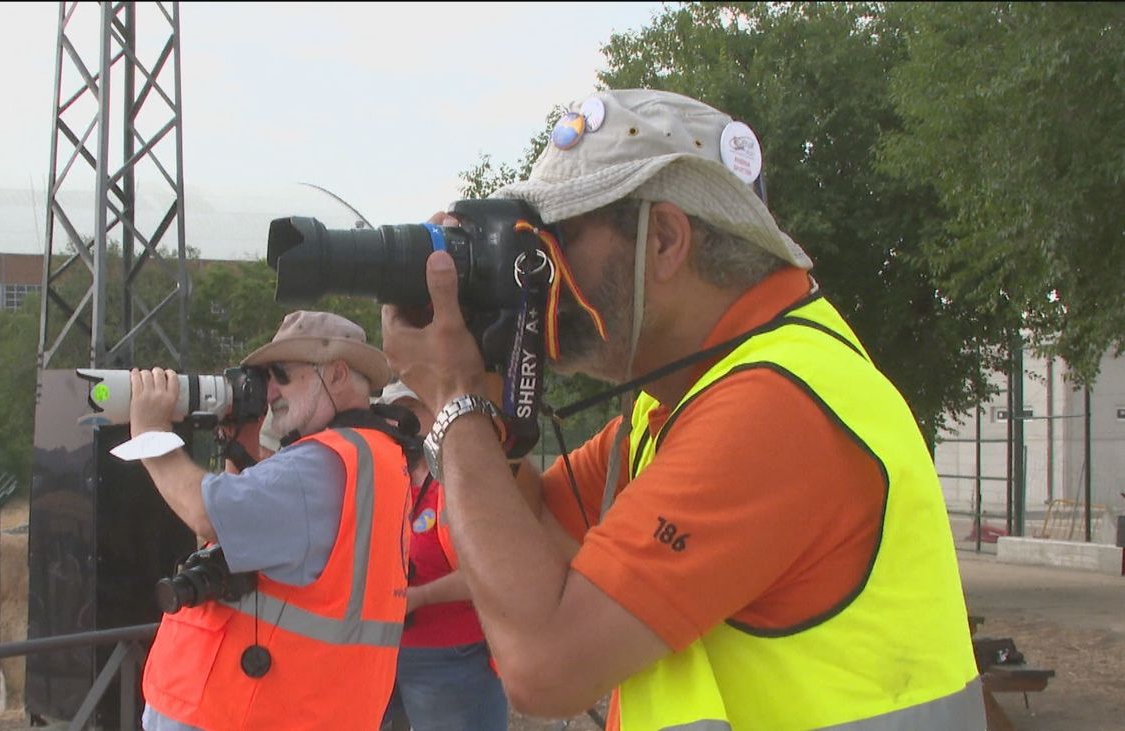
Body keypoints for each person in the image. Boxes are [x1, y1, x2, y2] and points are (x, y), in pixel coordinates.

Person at [381, 89, 984, 730]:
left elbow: (542, 666)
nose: (538, 269)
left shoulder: (776, 408)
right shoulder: (674, 406)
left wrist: (454, 400)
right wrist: (486, 372)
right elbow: (525, 547)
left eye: (560, 236)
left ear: (665, 239)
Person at [130, 310, 414, 731]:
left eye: (282, 374)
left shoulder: (320, 464)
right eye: (265, 380)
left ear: (336, 374)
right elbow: (234, 542)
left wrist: (151, 436)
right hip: (300, 707)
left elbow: (206, 514)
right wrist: (240, 450)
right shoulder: (375, 456)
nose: (271, 392)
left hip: (245, 709)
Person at [376, 380, 509, 731]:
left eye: (411, 411)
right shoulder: (386, 482)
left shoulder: (459, 483)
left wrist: (417, 598)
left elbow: (484, 574)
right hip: (384, 654)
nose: (399, 423)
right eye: (392, 415)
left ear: (436, 415)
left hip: (452, 659)